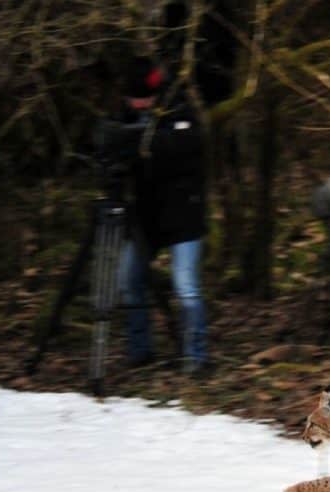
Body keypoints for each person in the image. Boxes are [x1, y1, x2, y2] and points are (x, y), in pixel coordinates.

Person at [111, 57, 210, 375]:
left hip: (184, 214)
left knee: (186, 287)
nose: (137, 104)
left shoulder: (178, 107)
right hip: (145, 215)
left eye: (141, 99)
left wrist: (145, 141)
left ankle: (196, 357)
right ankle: (140, 350)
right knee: (130, 280)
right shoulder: (125, 114)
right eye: (132, 100)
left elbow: (188, 146)